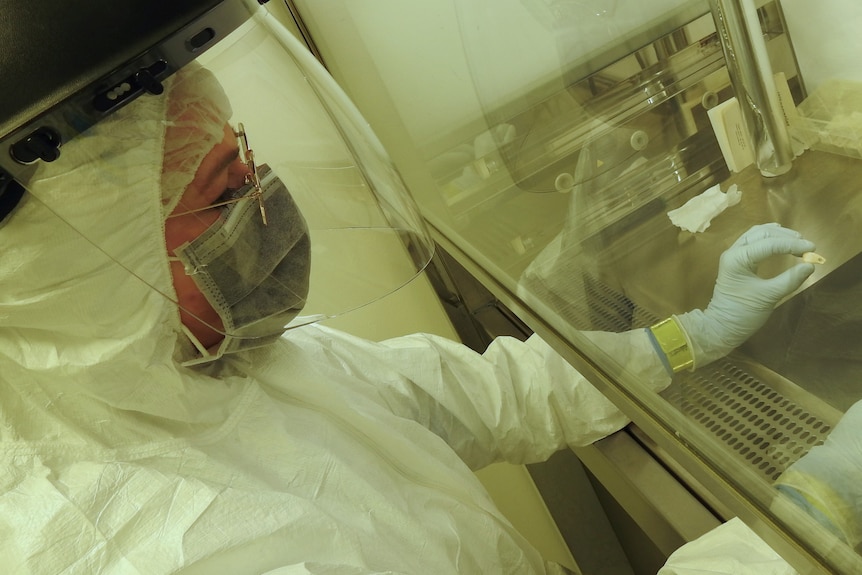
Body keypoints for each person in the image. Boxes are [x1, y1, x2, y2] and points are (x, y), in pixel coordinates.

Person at [0, 55, 818, 575]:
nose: (263, 206)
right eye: (222, 195)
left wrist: (685, 336)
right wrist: (797, 534)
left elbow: (481, 396)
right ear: (96, 280)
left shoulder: (235, 366)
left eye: (250, 165)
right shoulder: (145, 546)